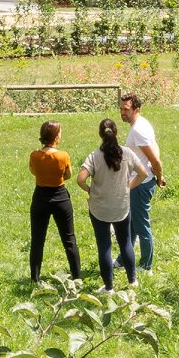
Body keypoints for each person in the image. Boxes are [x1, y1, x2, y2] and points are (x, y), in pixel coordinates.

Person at [82, 118, 139, 289]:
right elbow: (143, 173)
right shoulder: (127, 153)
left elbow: (80, 179)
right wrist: (129, 187)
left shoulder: (94, 156)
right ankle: (132, 281)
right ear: (116, 133)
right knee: (126, 242)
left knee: (104, 247)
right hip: (121, 206)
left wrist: (89, 190)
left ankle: (109, 288)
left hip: (99, 208)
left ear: (100, 135)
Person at [26, 121, 81, 282]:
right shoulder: (63, 155)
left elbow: (33, 171)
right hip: (60, 198)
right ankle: (77, 276)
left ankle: (34, 278)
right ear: (56, 137)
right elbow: (69, 175)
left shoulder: (35, 155)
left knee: (37, 239)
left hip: (40, 198)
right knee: (69, 239)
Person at [118, 91, 165, 270]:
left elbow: (154, 159)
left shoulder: (138, 130)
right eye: (121, 109)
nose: (123, 112)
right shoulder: (142, 124)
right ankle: (123, 260)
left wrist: (159, 175)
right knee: (132, 224)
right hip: (140, 182)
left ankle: (146, 266)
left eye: (126, 109)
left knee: (141, 226)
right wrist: (157, 174)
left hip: (140, 184)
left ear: (137, 109)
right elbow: (156, 150)